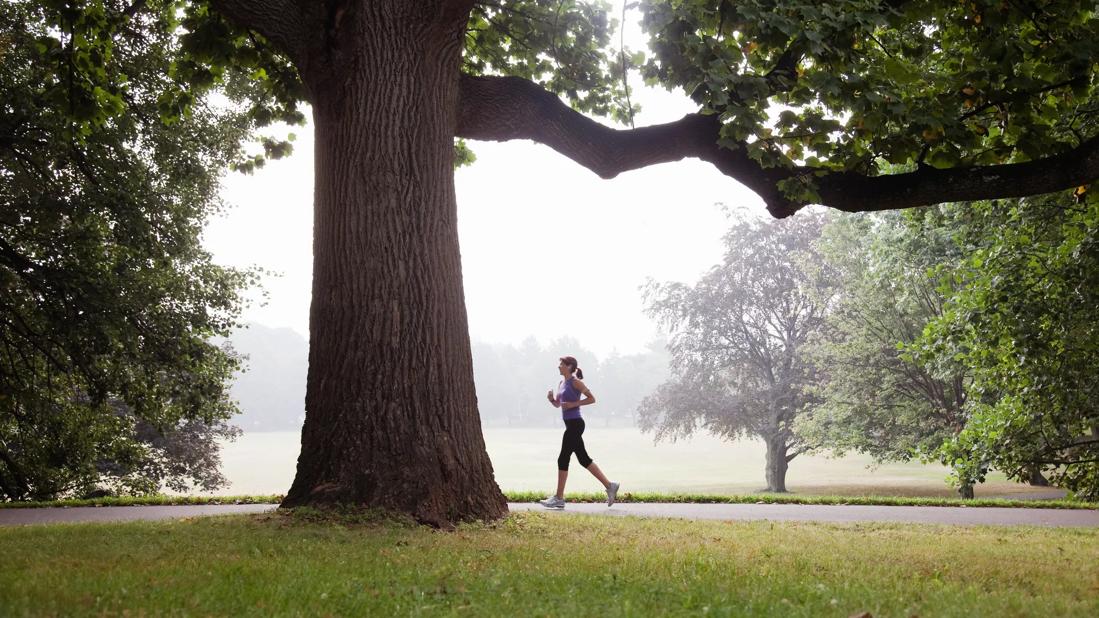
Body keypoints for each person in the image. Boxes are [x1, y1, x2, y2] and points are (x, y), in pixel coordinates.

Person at [539, 355, 620, 509]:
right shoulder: (561, 383)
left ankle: (559, 498)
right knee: (583, 459)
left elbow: (592, 398)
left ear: (569, 366)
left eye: (561, 364)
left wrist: (573, 404)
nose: (559, 366)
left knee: (563, 458)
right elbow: (559, 405)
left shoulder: (575, 382)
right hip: (569, 425)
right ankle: (610, 486)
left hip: (576, 424)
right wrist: (551, 399)